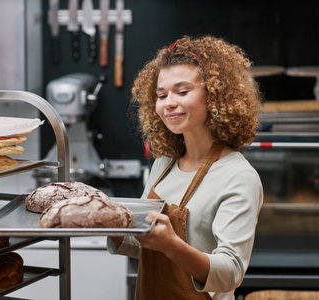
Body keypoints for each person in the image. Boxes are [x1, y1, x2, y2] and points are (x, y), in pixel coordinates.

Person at [107, 35, 263, 300]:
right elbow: (147, 246)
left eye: (182, 92)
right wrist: (110, 223)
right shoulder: (163, 165)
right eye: (161, 95)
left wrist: (173, 245)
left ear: (215, 95)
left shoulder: (238, 176)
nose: (168, 103)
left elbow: (231, 273)